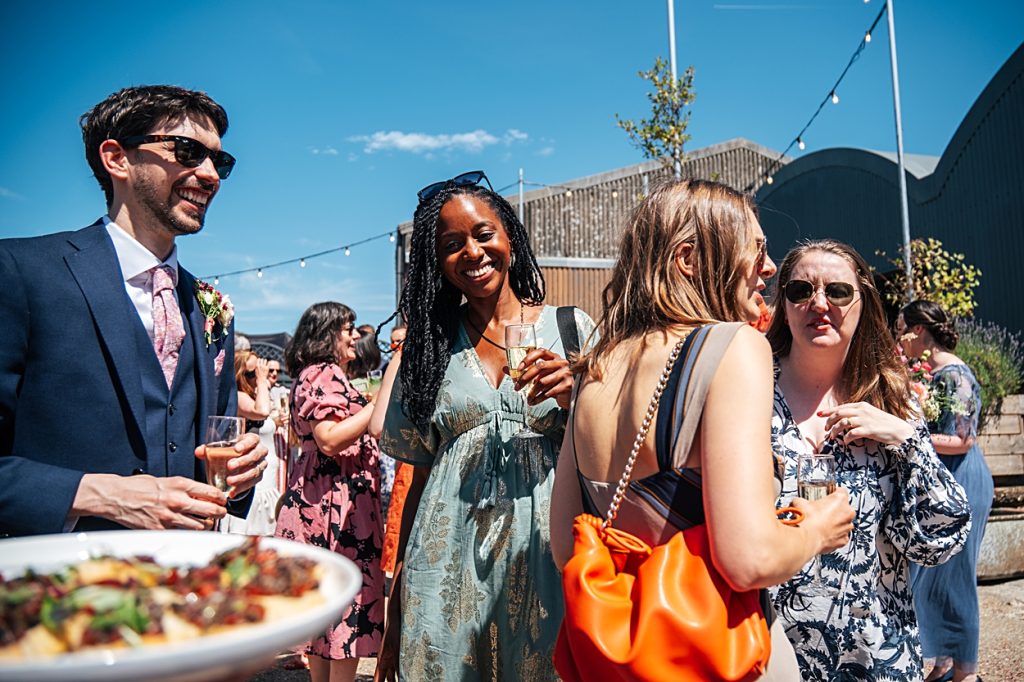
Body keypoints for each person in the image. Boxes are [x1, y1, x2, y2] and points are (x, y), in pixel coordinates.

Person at [549, 179, 855, 680]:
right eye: (756, 249)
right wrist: (818, 529)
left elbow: (566, 544)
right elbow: (747, 560)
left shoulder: (596, 368)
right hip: (720, 653)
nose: (771, 267)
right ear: (689, 259)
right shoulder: (733, 347)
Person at [0, 85, 266, 536]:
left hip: (188, 579)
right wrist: (98, 494)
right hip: (58, 587)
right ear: (117, 158)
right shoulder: (20, 272)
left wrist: (242, 472)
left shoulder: (211, 306)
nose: (211, 175)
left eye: (219, 162)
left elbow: (216, 452)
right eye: (187, 151)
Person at [376, 170, 595, 681]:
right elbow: (420, 482)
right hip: (446, 571)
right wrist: (397, 605)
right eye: (451, 244)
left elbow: (614, 449)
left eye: (482, 234)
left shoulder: (572, 329)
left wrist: (576, 398)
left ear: (510, 240)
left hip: (546, 560)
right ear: (438, 264)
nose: (471, 252)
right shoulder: (427, 352)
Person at [765, 240, 972, 679]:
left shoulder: (891, 401)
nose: (818, 303)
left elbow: (938, 542)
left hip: (876, 653)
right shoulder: (748, 393)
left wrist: (907, 438)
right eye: (801, 290)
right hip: (768, 653)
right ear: (784, 306)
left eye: (837, 291)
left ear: (862, 303)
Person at [275, 302, 384, 682]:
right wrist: (375, 404)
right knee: (344, 605)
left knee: (325, 613)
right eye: (347, 328)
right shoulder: (323, 372)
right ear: (326, 333)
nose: (355, 336)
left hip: (321, 498)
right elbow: (329, 438)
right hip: (333, 504)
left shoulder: (316, 374)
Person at [899, 300, 993, 682]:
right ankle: (942, 665)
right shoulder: (931, 374)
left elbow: (961, 439)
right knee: (935, 577)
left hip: (964, 482)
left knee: (956, 581)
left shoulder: (956, 375)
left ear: (920, 331)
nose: (898, 336)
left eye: (901, 328)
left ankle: (966, 674)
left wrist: (909, 432)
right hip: (943, 482)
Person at [220, 351, 285, 536]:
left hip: (268, 477)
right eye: (252, 373)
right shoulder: (238, 396)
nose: (258, 376)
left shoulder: (255, 395)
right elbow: (262, 411)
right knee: (249, 535)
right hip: (254, 484)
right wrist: (262, 380)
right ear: (240, 375)